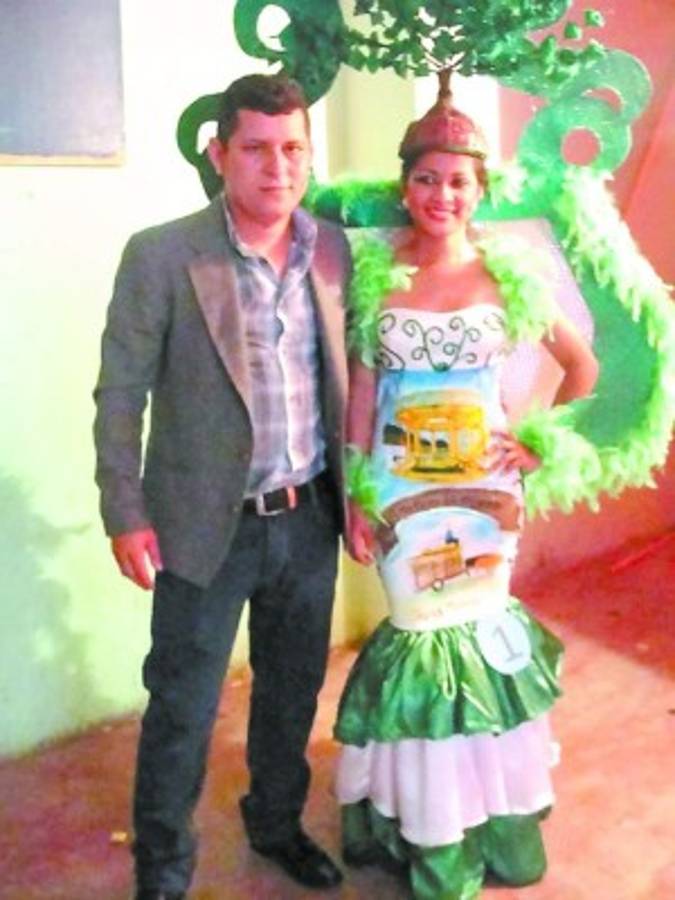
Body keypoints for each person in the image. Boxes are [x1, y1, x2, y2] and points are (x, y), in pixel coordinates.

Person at [333, 73, 599, 900]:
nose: (440, 195)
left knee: (479, 638)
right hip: (400, 496)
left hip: (485, 500)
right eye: (425, 178)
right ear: (404, 185)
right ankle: (427, 828)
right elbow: (362, 393)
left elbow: (580, 367)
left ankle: (491, 821)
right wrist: (353, 493)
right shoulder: (376, 273)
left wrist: (537, 441)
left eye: (456, 180)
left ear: (479, 189)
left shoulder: (510, 274)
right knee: (419, 634)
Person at [93, 73, 350, 900]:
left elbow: (352, 379)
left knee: (291, 694)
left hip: (306, 516)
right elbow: (120, 393)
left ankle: (275, 824)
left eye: (292, 149)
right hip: (203, 526)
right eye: (256, 149)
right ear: (219, 154)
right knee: (182, 709)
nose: (278, 167)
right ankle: (162, 871)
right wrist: (124, 510)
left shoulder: (333, 250)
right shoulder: (163, 254)